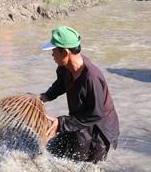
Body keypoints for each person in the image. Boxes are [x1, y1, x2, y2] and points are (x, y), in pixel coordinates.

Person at [39, 26, 120, 163]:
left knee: (87, 167)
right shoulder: (65, 68)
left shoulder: (91, 77)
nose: (52, 55)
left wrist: (61, 123)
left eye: (54, 51)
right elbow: (61, 83)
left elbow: (96, 113)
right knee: (55, 153)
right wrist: (46, 96)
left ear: (65, 52)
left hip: (99, 128)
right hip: (79, 120)